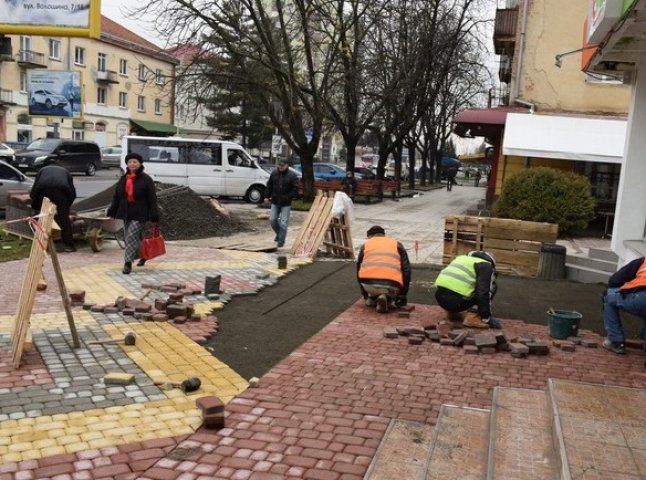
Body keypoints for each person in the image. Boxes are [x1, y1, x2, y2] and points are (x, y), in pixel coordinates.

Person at [107, 152, 160, 274]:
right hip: (125, 212)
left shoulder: (146, 180)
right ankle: (144, 255)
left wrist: (154, 213)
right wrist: (112, 210)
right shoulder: (123, 179)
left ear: (140, 163)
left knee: (131, 236)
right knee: (134, 237)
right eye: (130, 162)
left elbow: (152, 198)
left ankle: (127, 263)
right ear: (127, 164)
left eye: (135, 162)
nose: (132, 164)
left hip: (140, 212)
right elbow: (117, 196)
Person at [434, 251, 502, 329]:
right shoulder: (486, 265)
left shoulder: (461, 258)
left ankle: (451, 313)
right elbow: (483, 293)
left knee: (458, 286)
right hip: (455, 302)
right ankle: (472, 318)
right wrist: (486, 318)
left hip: (439, 298)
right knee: (492, 286)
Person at [357, 225, 411, 313]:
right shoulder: (397, 244)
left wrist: (364, 294)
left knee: (372, 293)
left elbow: (358, 269)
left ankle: (373, 297)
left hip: (368, 284)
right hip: (392, 285)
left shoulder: (365, 245)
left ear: (370, 236)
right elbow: (406, 270)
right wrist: (402, 295)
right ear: (383, 235)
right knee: (390, 293)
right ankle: (387, 299)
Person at [602, 256, 646, 354]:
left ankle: (616, 341)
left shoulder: (643, 261)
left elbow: (615, 280)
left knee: (608, 296)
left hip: (642, 298)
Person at [30, 160, 77, 252]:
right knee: (64, 219)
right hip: (61, 192)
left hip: (44, 191)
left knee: (43, 216)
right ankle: (69, 245)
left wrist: (36, 207)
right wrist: (66, 207)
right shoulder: (65, 171)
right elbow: (72, 193)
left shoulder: (42, 170)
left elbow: (34, 190)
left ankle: (41, 244)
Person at [264, 158, 299, 248]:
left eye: (282, 165)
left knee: (284, 222)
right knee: (272, 220)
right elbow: (269, 185)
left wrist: (289, 196)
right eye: (279, 165)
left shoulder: (292, 176)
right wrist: (266, 196)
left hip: (286, 203)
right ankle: (280, 234)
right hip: (275, 201)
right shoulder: (274, 173)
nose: (280, 167)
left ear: (287, 165)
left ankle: (281, 240)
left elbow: (295, 189)